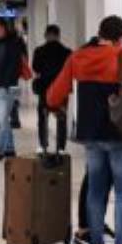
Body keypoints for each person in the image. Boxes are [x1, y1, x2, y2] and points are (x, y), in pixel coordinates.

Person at [47, 15, 122, 244]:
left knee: (95, 191)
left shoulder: (78, 57)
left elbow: (54, 95)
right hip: (121, 135)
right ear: (120, 38)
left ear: (100, 33)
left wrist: (57, 106)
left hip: (91, 134)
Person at [0, 19, 28, 163]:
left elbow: (15, 67)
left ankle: (0, 150)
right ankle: (10, 148)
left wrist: (5, 84)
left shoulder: (13, 43)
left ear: (2, 28)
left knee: (1, 119)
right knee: (3, 120)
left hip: (8, 88)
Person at [32, 25, 72, 155]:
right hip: (61, 89)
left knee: (43, 118)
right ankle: (61, 147)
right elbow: (70, 70)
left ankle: (43, 145)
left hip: (45, 88)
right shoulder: (67, 52)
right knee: (61, 118)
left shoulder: (39, 51)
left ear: (46, 35)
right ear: (58, 35)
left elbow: (36, 68)